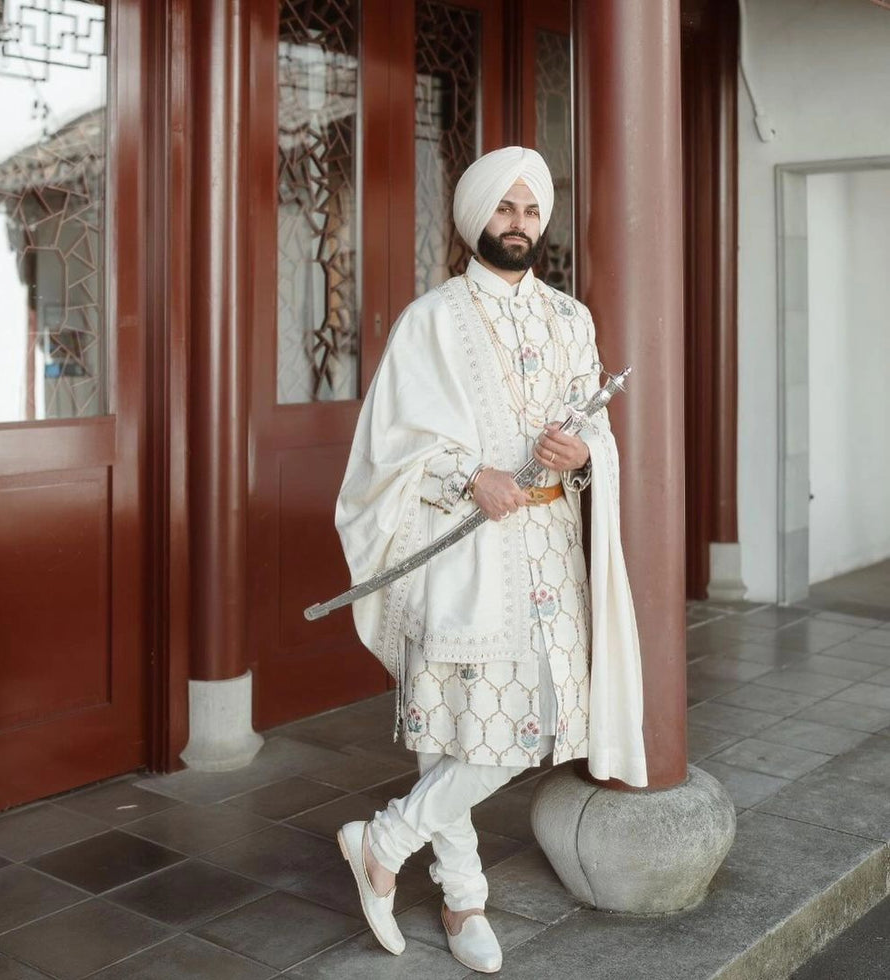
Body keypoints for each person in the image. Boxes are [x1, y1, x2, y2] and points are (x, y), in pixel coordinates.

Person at [334, 146, 646, 974]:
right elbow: (387, 446)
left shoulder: (571, 319)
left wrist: (582, 453)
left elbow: (594, 429)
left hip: (550, 553)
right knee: (457, 729)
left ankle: (383, 842)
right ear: (477, 217)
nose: (518, 223)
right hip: (459, 553)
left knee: (521, 728)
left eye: (531, 209)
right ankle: (464, 897)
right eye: (504, 208)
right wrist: (470, 476)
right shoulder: (430, 320)